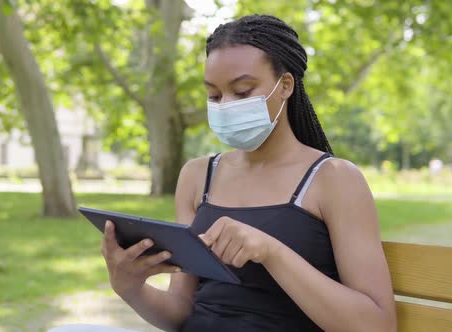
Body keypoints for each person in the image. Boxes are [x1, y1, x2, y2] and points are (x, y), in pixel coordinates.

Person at [98, 14, 397, 332]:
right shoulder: (197, 176)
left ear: (285, 86)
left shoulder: (334, 179)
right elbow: (180, 312)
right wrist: (130, 289)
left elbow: (377, 325)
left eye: (241, 92)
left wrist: (271, 252)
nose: (226, 105)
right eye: (214, 95)